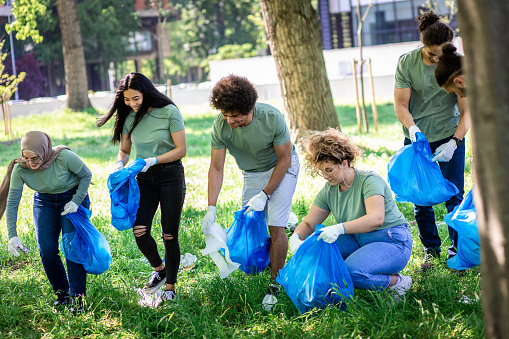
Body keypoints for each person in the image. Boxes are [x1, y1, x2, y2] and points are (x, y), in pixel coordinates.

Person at [200, 74, 300, 297]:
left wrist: (266, 194)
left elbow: (285, 159)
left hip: (282, 167)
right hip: (252, 173)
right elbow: (216, 168)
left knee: (275, 227)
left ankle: (276, 282)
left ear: (251, 108)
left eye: (236, 116)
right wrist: (211, 208)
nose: (230, 122)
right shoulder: (221, 126)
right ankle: (285, 221)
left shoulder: (271, 117)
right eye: (225, 115)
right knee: (251, 229)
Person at [290, 128, 413, 301]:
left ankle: (397, 282)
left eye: (329, 170)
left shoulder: (369, 181)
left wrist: (339, 228)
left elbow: (376, 219)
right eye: (321, 171)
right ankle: (329, 295)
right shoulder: (330, 191)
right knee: (317, 250)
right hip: (358, 240)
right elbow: (309, 224)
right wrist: (295, 239)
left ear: (345, 163)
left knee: (352, 272)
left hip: (391, 240)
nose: (325, 176)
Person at [97, 72, 186, 302]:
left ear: (146, 92)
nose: (132, 104)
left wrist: (153, 160)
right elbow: (125, 151)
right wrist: (120, 163)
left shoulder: (169, 112)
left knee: (169, 234)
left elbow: (181, 150)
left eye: (136, 98)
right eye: (127, 100)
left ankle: (170, 289)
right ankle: (160, 270)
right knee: (140, 230)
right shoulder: (129, 117)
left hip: (170, 175)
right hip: (143, 178)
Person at [394, 10, 470, 271]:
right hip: (418, 139)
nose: (438, 59)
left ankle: (458, 252)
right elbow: (401, 105)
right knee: (421, 199)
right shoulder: (407, 63)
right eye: (432, 54)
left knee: (454, 196)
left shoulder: (458, 63)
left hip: (449, 134)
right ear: (423, 46)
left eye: (443, 53)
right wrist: (413, 130)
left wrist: (455, 142)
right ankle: (431, 251)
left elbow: (467, 110)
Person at [0, 131, 92, 313]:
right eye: (26, 158)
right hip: (44, 201)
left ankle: (78, 297)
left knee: (71, 247)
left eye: (35, 158)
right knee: (47, 249)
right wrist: (12, 235)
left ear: (44, 150)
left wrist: (76, 201)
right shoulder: (20, 169)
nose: (31, 163)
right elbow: (12, 202)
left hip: (71, 197)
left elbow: (86, 175)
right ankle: (62, 294)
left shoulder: (64, 157)